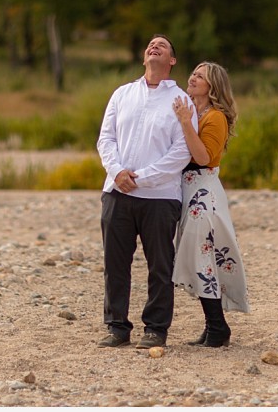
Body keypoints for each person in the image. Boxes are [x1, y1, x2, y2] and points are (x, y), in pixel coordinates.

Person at [96, 34, 195, 350]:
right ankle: (117, 327)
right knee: (115, 264)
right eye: (151, 44)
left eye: (163, 45)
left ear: (172, 61)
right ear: (143, 58)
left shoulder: (182, 101)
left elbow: (181, 153)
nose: (155, 46)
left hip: (160, 197)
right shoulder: (122, 94)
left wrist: (141, 178)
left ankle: (155, 329)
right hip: (117, 192)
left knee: (160, 266)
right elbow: (105, 139)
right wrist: (118, 172)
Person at [171, 61, 249, 348]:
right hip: (190, 191)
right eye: (193, 72)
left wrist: (183, 122)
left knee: (202, 257)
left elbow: (203, 157)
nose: (192, 78)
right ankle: (214, 326)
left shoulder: (214, 117)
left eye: (199, 76)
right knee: (199, 257)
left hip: (203, 193)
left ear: (212, 86)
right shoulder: (193, 112)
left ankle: (218, 327)